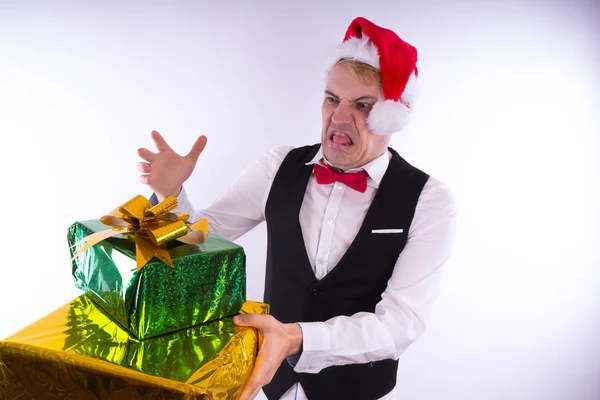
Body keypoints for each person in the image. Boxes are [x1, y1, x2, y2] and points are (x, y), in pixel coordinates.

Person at [138, 17, 458, 400]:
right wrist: (171, 193)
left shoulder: (429, 200)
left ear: (392, 114)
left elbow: (401, 323)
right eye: (332, 98)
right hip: (272, 386)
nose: (340, 118)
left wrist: (295, 337)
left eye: (362, 105)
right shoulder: (279, 166)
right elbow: (201, 241)